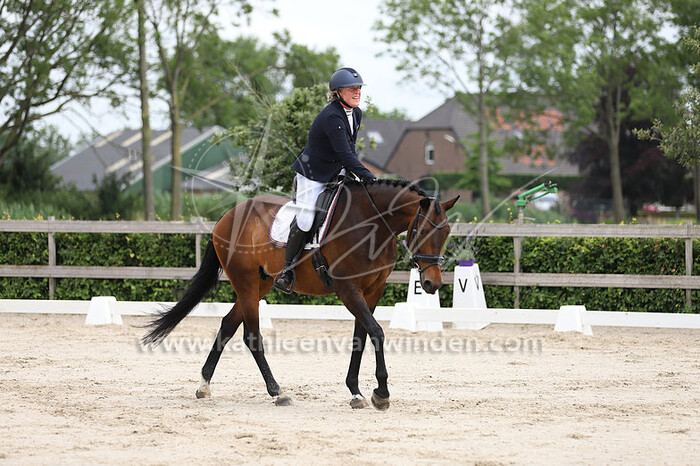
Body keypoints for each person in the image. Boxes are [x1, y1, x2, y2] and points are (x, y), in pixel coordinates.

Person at [274, 67, 377, 293]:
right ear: (337, 93)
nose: (357, 92)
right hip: (312, 174)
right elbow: (346, 154)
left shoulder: (356, 113)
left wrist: (356, 177)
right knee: (306, 219)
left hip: (336, 172)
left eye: (358, 88)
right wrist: (369, 177)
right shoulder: (331, 116)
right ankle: (287, 271)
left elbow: (350, 149)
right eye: (351, 89)